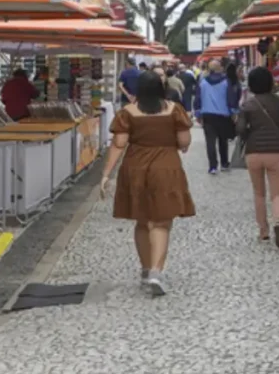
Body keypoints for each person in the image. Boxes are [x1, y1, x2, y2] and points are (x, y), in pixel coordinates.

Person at [100, 71, 195, 296]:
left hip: (135, 168)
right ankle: (155, 272)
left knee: (142, 221)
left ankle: (144, 269)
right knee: (161, 222)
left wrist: (106, 174)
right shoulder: (174, 110)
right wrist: (179, 143)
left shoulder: (128, 112)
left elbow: (119, 143)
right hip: (166, 167)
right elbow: (184, 141)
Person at [237, 67, 279, 248]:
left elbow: (239, 130)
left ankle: (263, 231)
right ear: (270, 82)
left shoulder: (248, 105)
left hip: (253, 152)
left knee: (259, 193)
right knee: (277, 193)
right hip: (276, 151)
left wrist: (249, 132)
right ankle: (278, 222)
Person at [194, 60, 239, 174]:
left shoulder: (203, 82)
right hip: (223, 115)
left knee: (210, 142)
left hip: (208, 115)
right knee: (223, 141)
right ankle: (224, 163)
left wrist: (198, 114)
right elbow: (230, 98)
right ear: (220, 68)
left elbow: (198, 99)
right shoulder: (226, 82)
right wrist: (233, 112)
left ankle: (212, 166)